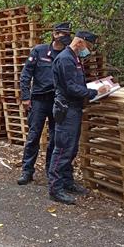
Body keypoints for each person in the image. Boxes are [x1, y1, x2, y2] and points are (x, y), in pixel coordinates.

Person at [48, 31, 109, 204]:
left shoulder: (74, 58)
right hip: (66, 110)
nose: (88, 51)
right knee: (62, 149)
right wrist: (94, 92)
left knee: (71, 149)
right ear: (80, 43)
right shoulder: (66, 59)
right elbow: (71, 88)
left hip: (73, 109)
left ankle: (67, 182)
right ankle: (55, 188)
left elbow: (76, 85)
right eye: (88, 47)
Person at [17, 22, 73, 185]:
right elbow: (26, 75)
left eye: (68, 34)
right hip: (39, 101)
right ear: (55, 34)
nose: (66, 37)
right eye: (63, 34)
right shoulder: (39, 51)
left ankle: (51, 171)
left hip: (58, 102)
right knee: (34, 136)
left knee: (55, 138)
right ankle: (27, 171)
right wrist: (26, 97)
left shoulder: (68, 55)